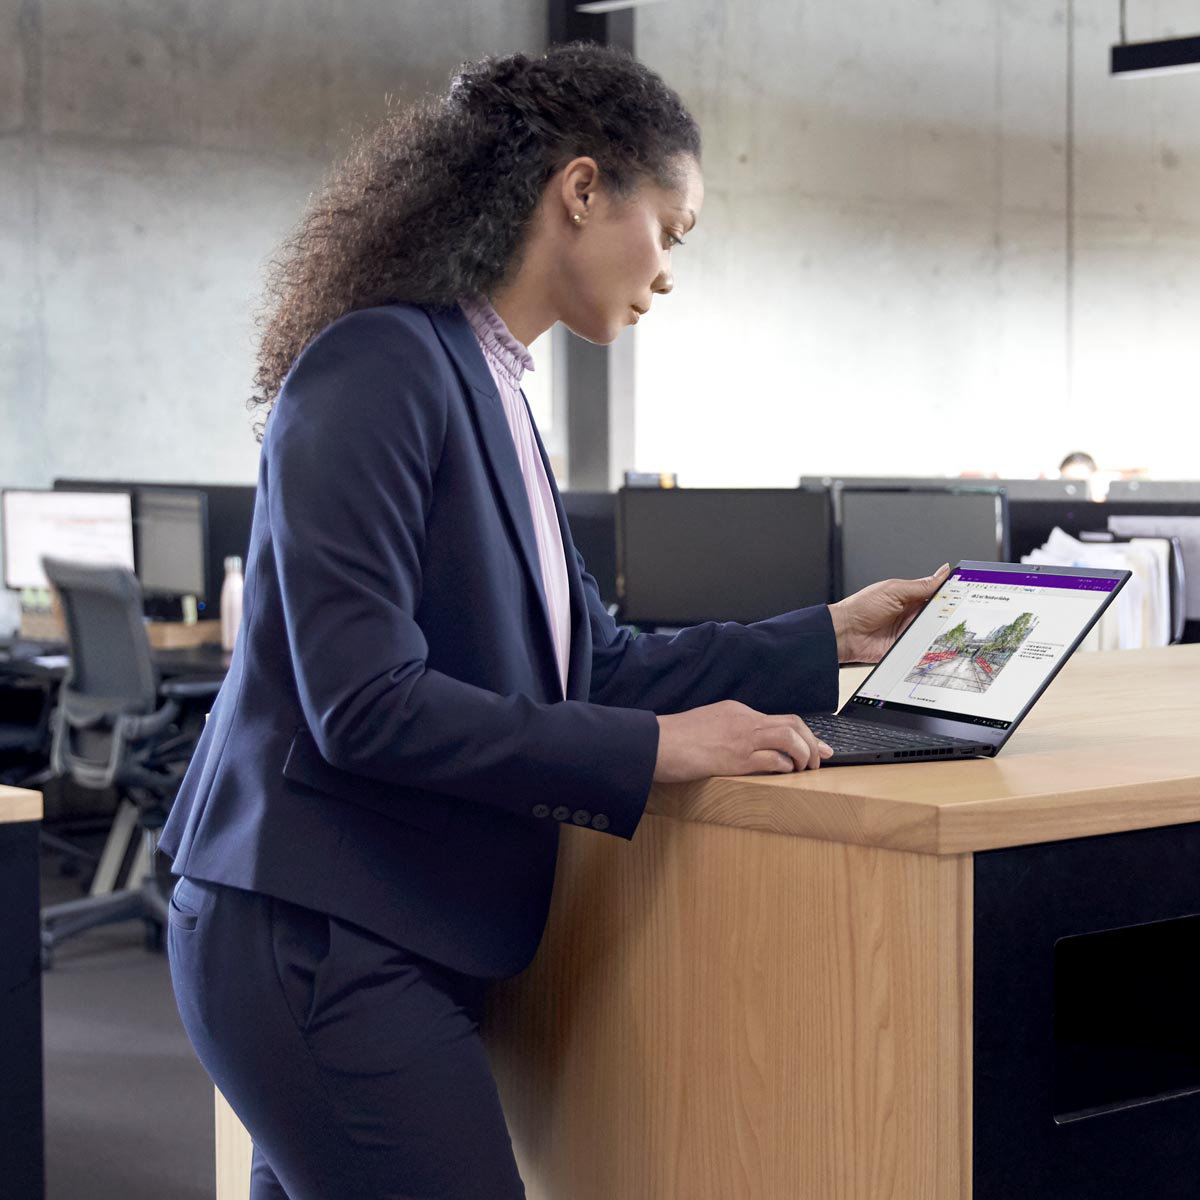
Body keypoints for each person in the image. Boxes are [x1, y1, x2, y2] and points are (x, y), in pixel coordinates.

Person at [160, 43, 948, 1200]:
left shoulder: (493, 390)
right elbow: (363, 707)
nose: (670, 273)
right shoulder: (380, 364)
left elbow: (596, 661)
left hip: (374, 926)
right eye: (669, 230)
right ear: (581, 192)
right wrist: (660, 751)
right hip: (314, 936)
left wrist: (828, 634)